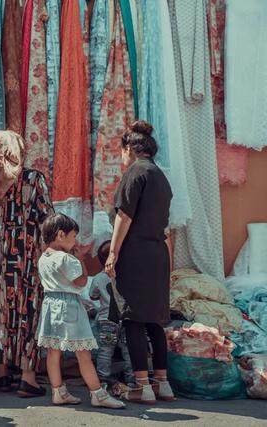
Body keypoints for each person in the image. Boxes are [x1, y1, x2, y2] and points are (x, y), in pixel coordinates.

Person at [105, 120, 175, 404]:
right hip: (157, 255)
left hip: (134, 255)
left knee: (132, 320)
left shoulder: (135, 173)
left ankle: (142, 386)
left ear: (129, 149)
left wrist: (112, 253)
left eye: (120, 151)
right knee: (155, 321)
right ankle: (163, 383)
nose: (120, 158)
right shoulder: (160, 175)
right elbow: (166, 230)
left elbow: (124, 217)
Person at [0, 130, 52, 397]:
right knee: (27, 313)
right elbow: (48, 220)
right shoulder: (33, 179)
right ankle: (28, 377)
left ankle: (1, 372)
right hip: (25, 260)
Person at [36, 213, 125, 409]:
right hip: (70, 307)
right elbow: (81, 281)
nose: (75, 241)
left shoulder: (43, 258)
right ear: (61, 234)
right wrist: (81, 260)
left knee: (53, 352)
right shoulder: (67, 260)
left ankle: (58, 392)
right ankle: (98, 394)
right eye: (73, 236)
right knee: (83, 353)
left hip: (50, 305)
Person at [90, 241, 135, 386]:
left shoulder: (98, 278)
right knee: (129, 351)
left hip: (107, 322)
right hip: (126, 319)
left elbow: (92, 295)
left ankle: (103, 379)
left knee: (105, 351)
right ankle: (132, 379)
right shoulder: (129, 275)